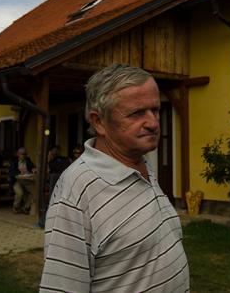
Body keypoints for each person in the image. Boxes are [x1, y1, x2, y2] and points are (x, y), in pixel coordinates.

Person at [40, 64, 189, 292]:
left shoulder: (142, 165)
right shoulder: (76, 191)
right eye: (137, 113)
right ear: (98, 122)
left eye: (155, 110)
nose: (153, 123)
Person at [9, 147, 35, 214]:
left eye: (25, 154)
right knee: (20, 193)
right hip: (17, 181)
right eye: (22, 154)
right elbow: (11, 172)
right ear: (18, 154)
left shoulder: (28, 161)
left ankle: (25, 207)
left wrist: (33, 169)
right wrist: (19, 173)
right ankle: (16, 207)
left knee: (34, 192)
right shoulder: (14, 162)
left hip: (27, 180)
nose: (23, 156)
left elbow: (33, 167)